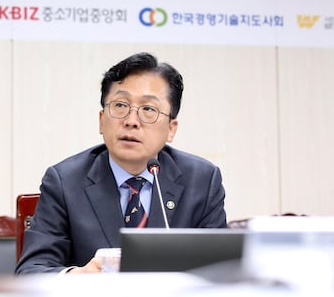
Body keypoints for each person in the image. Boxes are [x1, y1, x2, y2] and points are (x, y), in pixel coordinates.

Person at [15, 52, 227, 275]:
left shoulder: (202, 181)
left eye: (148, 109)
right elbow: (31, 272)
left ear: (171, 129)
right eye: (120, 105)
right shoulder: (64, 182)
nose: (131, 121)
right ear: (101, 121)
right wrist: (77, 277)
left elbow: (223, 270)